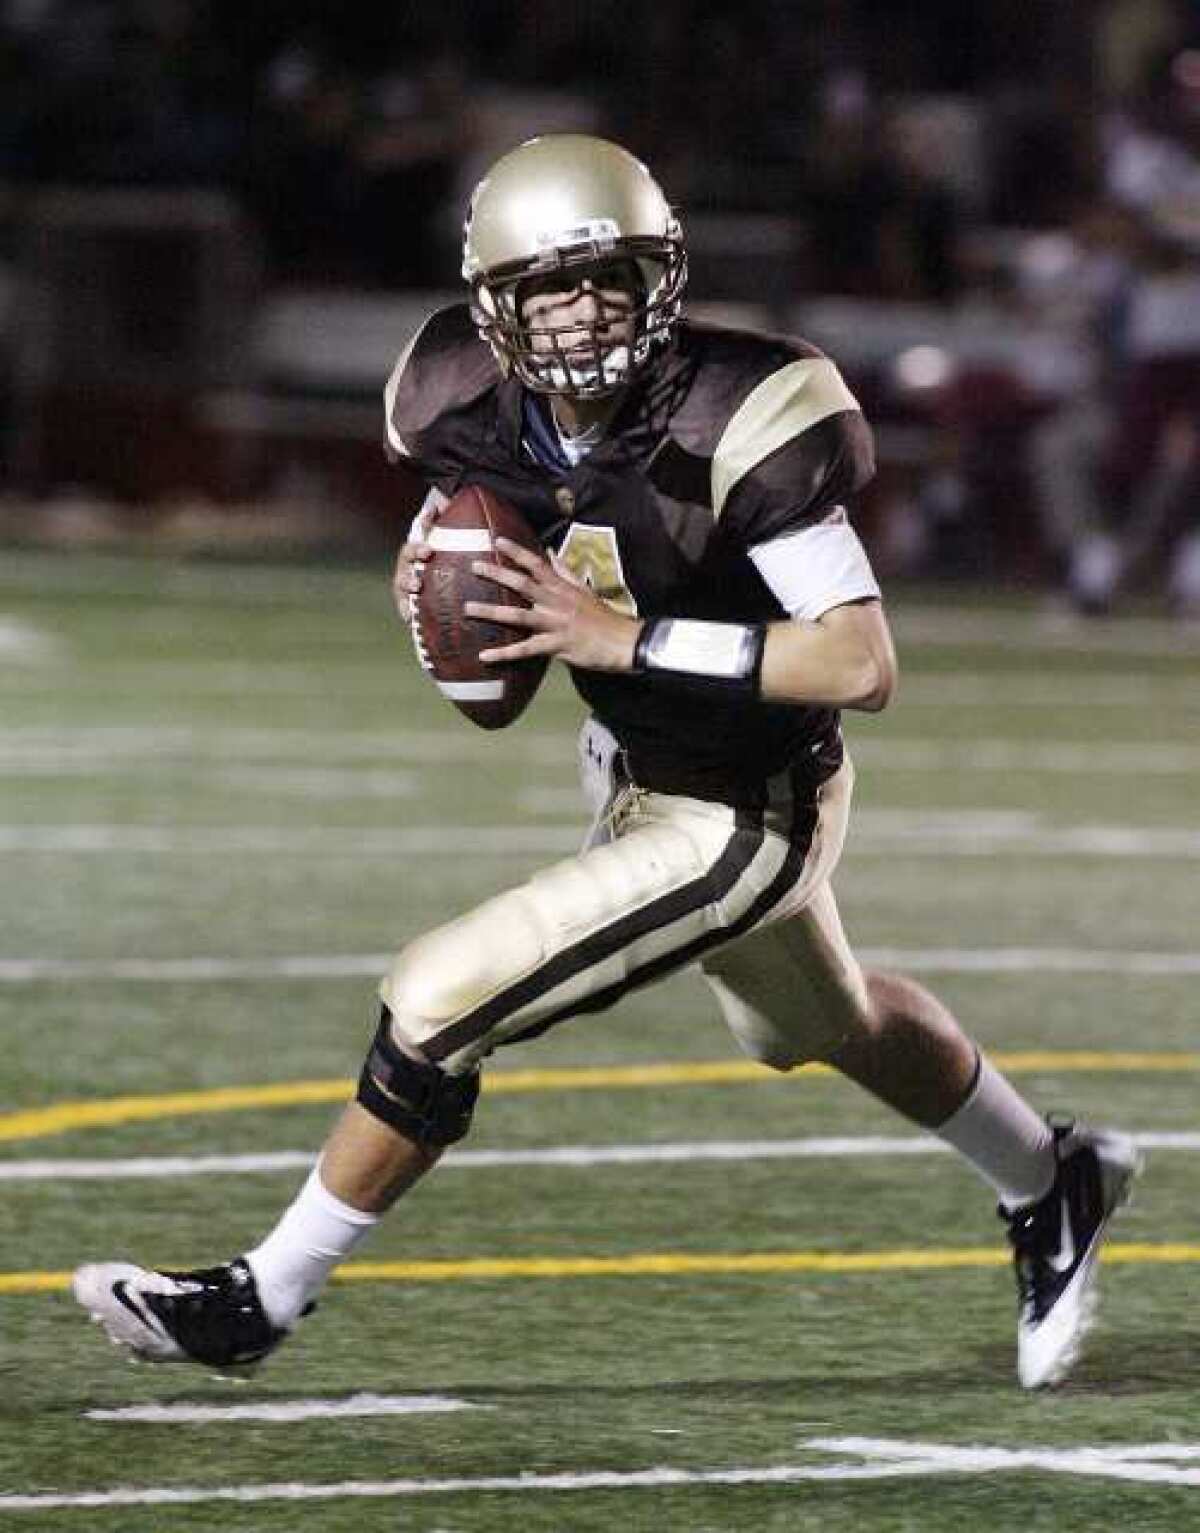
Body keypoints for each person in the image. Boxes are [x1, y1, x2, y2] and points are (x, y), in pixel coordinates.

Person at [74, 133, 1140, 1390]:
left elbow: (860, 663)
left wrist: (622, 638)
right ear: (496, 306)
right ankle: (1051, 1178)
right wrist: (448, 598)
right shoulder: (459, 401)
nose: (581, 315)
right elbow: (473, 541)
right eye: (549, 289)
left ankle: (262, 1297)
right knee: (819, 1025)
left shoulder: (740, 413)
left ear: (663, 279)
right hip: (633, 767)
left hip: (750, 813)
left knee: (438, 998)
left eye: (609, 280)